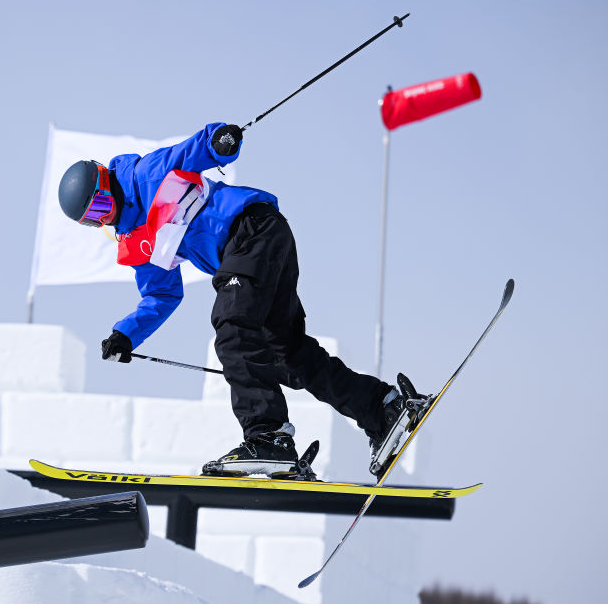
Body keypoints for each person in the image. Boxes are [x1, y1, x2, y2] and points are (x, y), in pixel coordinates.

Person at [57, 122, 411, 478]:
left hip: (249, 228)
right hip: (256, 248)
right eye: (93, 217)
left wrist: (219, 141)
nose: (106, 214)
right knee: (285, 355)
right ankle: (384, 410)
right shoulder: (134, 241)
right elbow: (162, 294)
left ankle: (268, 436)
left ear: (107, 181)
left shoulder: (145, 174)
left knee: (232, 329)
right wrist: (127, 334)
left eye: (102, 202)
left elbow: (194, 150)